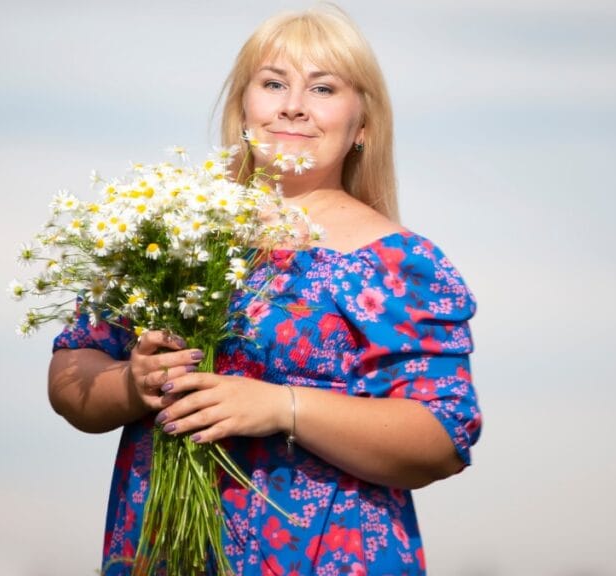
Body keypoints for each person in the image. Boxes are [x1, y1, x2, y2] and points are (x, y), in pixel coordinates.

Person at [48, 5, 481, 574]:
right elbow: (70, 371)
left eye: (323, 88)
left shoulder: (399, 261)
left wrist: (283, 407)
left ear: (364, 125)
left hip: (326, 556)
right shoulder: (175, 230)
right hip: (163, 552)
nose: (293, 105)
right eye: (273, 83)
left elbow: (441, 438)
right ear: (243, 107)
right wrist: (133, 383)